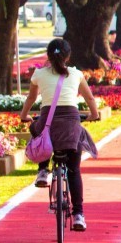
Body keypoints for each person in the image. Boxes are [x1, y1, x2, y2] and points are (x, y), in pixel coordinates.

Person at [21, 37, 102, 231]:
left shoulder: (39, 74)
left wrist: (24, 116)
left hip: (48, 122)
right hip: (71, 124)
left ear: (48, 56)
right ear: (68, 56)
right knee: (74, 170)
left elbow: (31, 98)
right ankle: (78, 216)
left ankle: (43, 170)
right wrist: (94, 114)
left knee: (38, 130)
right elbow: (89, 97)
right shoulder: (76, 74)